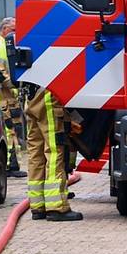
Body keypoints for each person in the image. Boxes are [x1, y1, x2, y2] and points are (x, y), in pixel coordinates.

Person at [24, 86, 83, 221]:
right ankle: (57, 207)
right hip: (48, 96)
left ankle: (38, 206)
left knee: (36, 153)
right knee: (54, 151)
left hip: (32, 96)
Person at [0, 17, 26, 178]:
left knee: (14, 128)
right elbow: (0, 73)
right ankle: (10, 165)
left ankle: (13, 163)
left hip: (8, 94)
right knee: (9, 128)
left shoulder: (6, 44)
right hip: (3, 94)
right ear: (4, 30)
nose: (15, 33)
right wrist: (16, 88)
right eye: (13, 30)